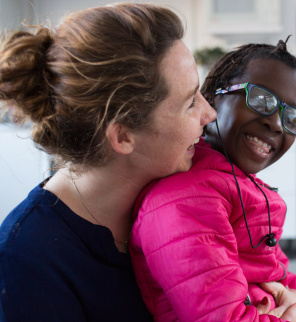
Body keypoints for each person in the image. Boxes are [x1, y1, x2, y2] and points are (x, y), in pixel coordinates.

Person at [0, 3, 216, 321]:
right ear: (124, 136)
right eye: (189, 103)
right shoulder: (28, 258)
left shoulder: (187, 193)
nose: (209, 114)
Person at [130, 39, 296, 322]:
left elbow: (284, 283)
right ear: (212, 98)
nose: (277, 124)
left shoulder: (242, 190)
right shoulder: (187, 199)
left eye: (292, 117)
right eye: (262, 100)